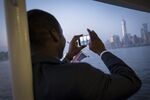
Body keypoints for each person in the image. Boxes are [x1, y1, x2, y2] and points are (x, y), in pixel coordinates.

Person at [27, 9, 141, 100]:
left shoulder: (25, 75)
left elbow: (52, 73)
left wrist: (69, 56)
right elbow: (131, 81)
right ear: (55, 34)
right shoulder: (78, 74)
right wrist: (102, 51)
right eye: (62, 33)